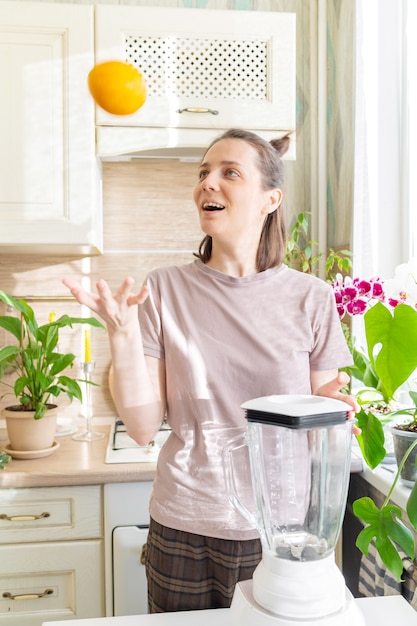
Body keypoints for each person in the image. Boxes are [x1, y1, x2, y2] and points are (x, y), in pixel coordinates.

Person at [63, 128, 357, 613]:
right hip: (185, 520)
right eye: (203, 173)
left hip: (280, 531)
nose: (208, 184)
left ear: (270, 199)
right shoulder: (163, 289)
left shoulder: (312, 297)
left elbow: (326, 411)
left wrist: (339, 408)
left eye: (229, 173)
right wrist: (122, 334)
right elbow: (139, 426)